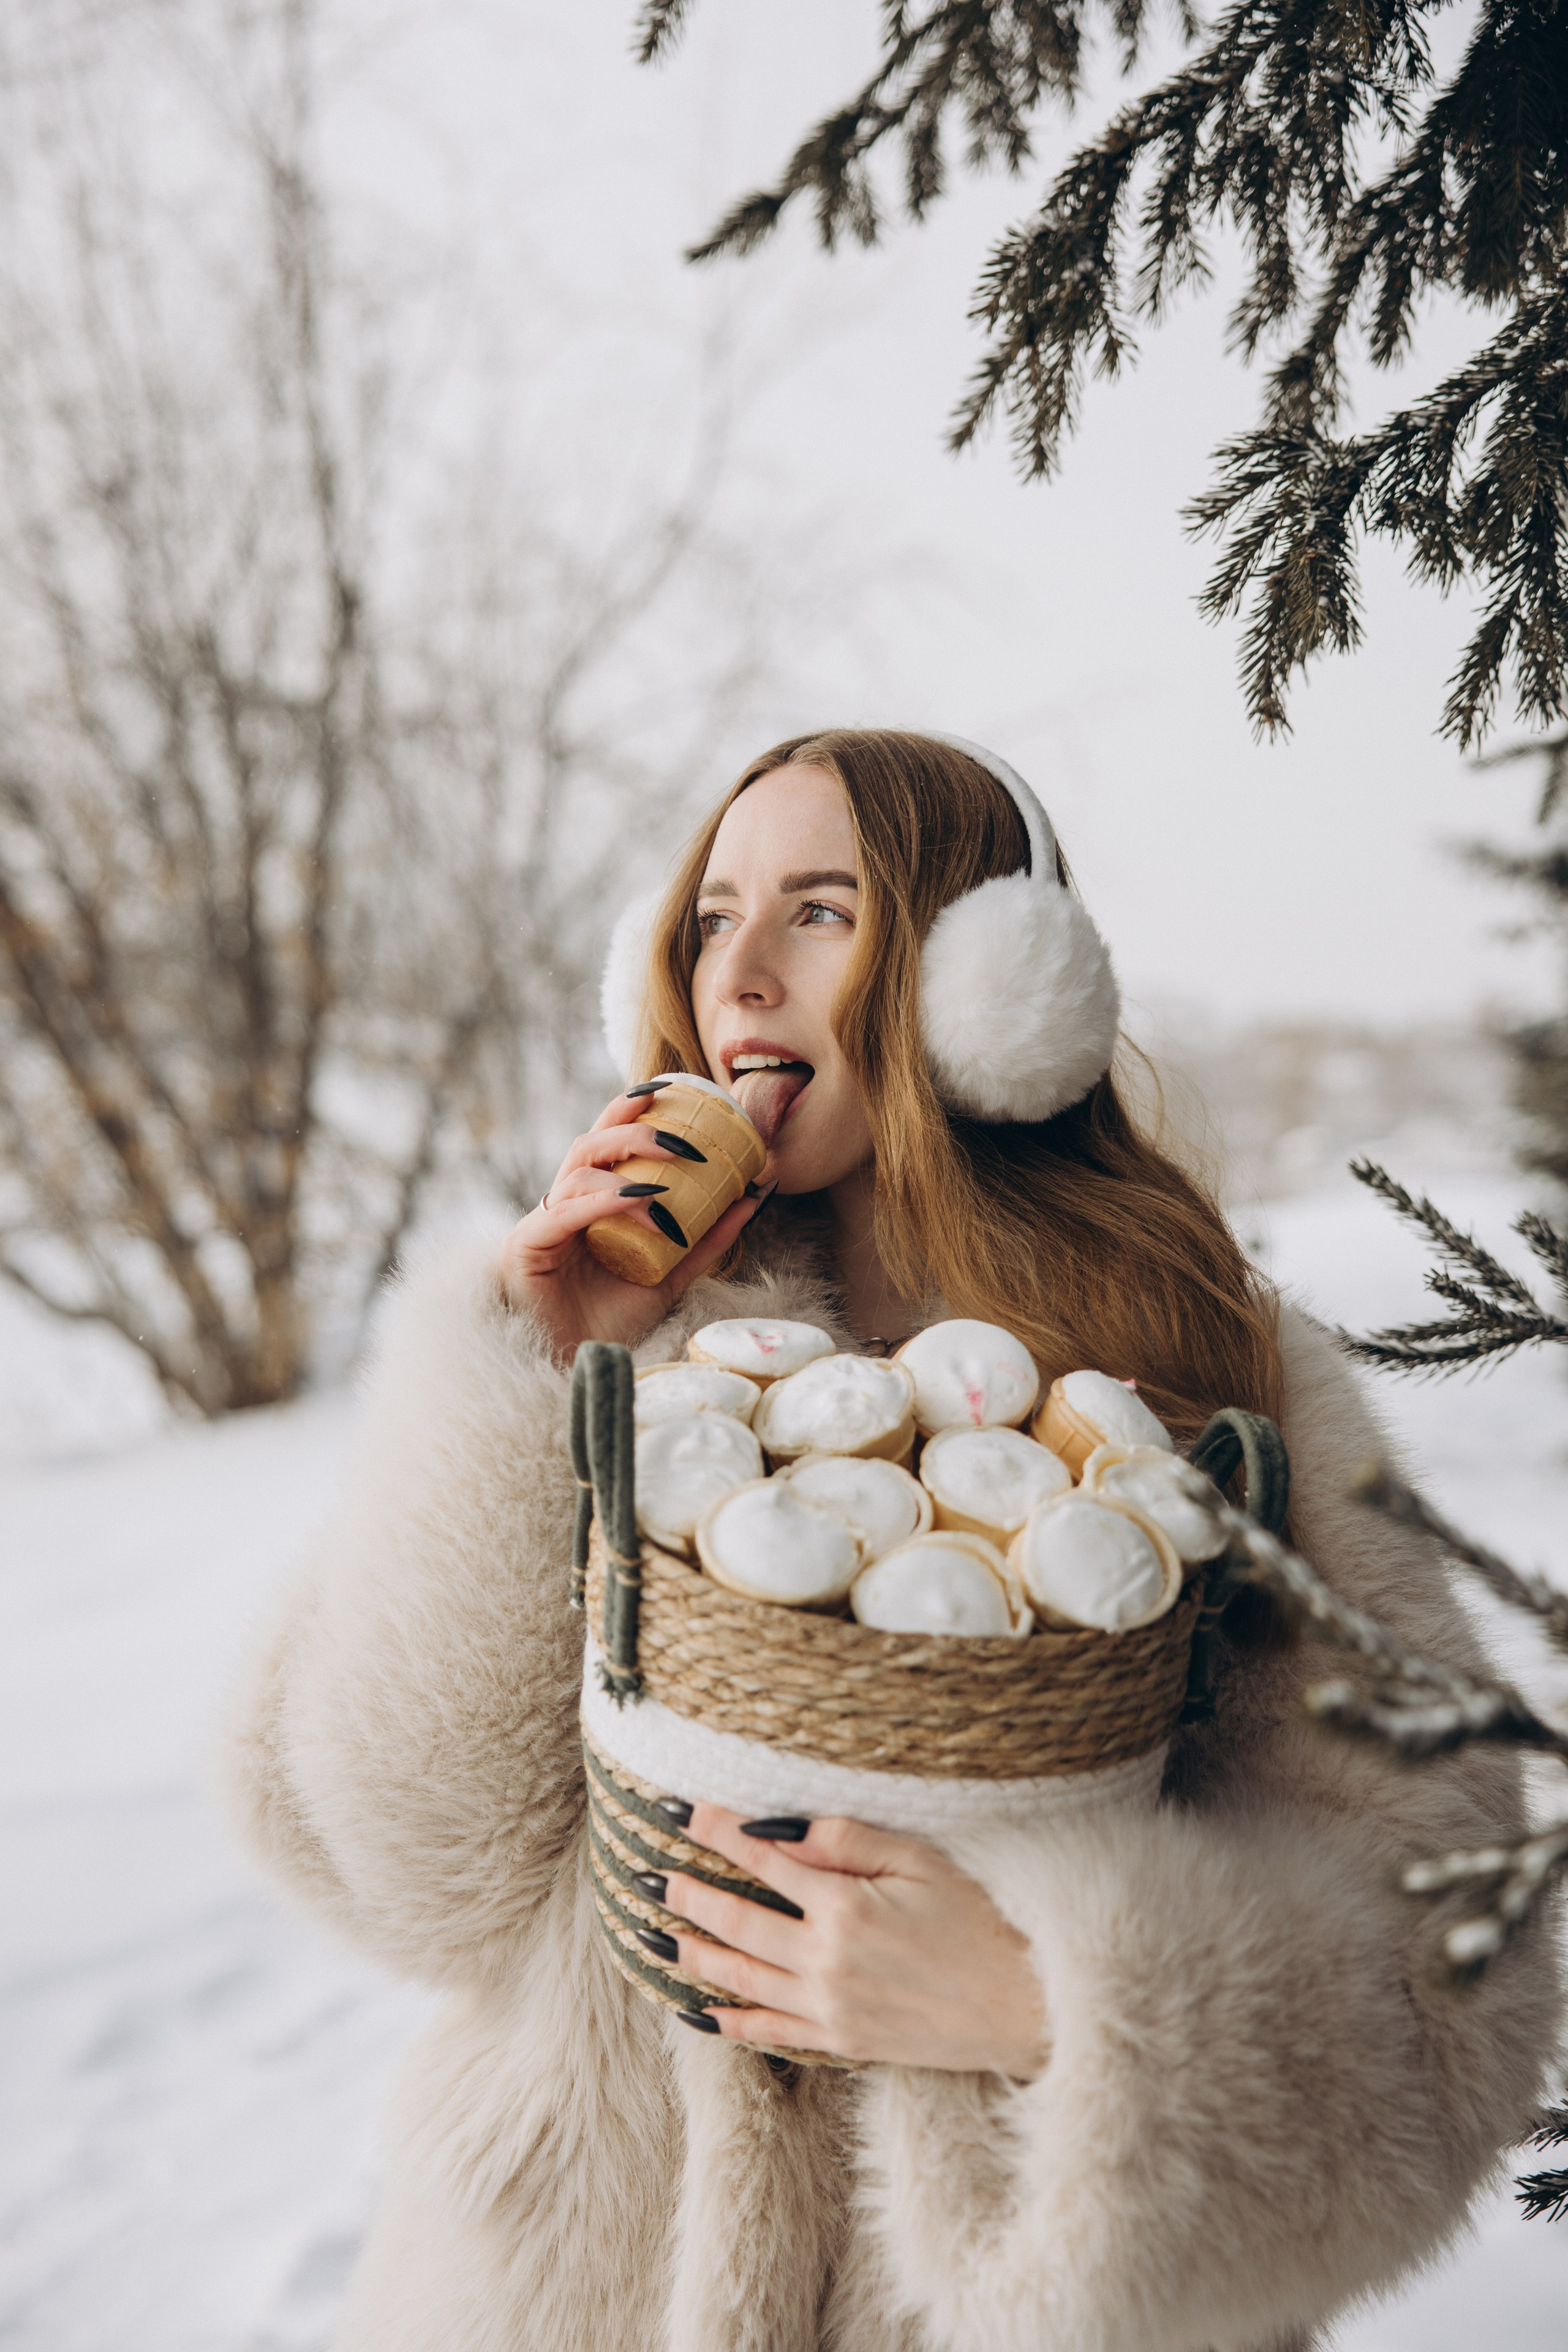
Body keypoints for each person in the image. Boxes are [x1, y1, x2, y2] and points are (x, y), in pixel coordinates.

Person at [222, 730, 1559, 2352]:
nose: (745, 976)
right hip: (562, 2296)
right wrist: (530, 1361)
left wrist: (1052, 2007)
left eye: (821, 912)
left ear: (983, 981)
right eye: (713, 919)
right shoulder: (613, 1335)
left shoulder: (1221, 1380)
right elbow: (400, 1863)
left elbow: (1449, 1981)